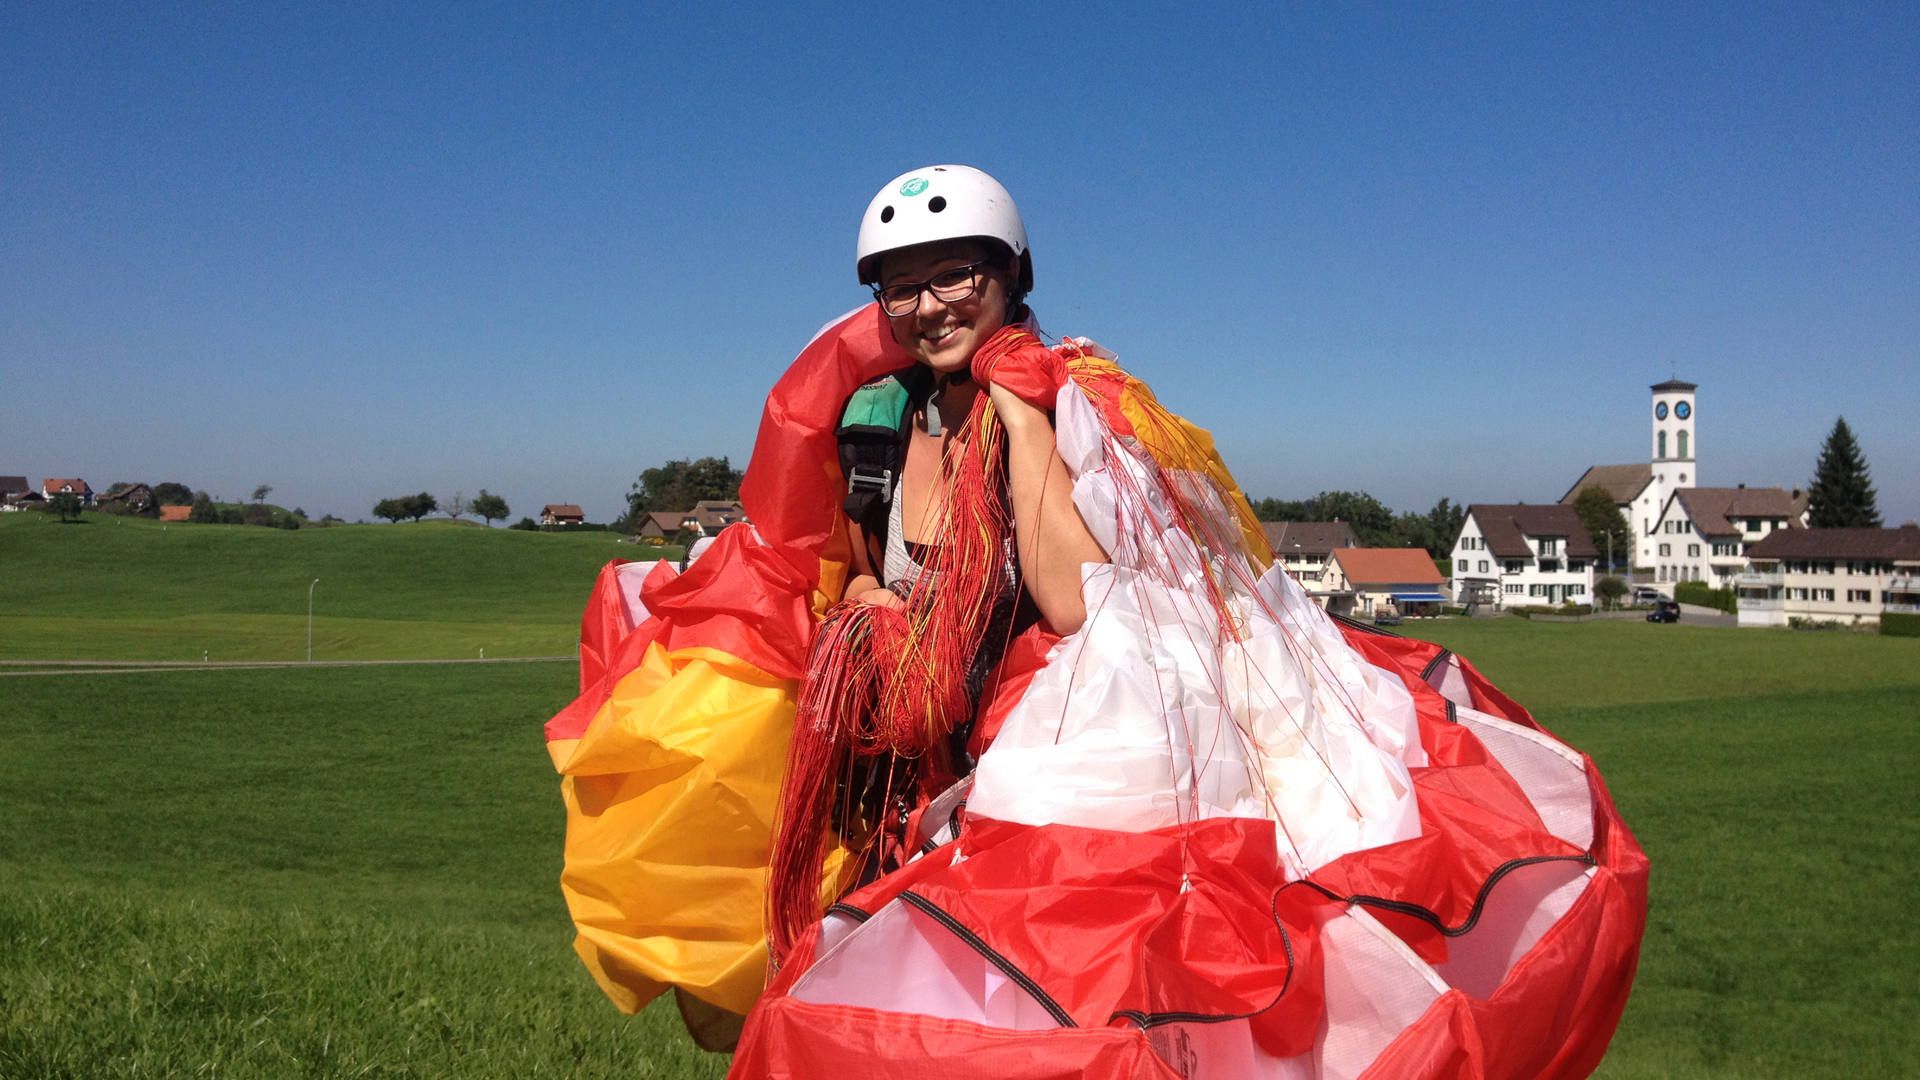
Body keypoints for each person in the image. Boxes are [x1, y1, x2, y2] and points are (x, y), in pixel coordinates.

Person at [545, 165, 1649, 1076]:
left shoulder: (1075, 405)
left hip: (1020, 792)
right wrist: (873, 605)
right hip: (899, 781)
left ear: (1010, 275)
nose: (930, 306)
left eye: (955, 277)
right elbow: (820, 573)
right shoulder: (876, 428)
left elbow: (1076, 598)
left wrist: (1025, 414)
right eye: (902, 289)